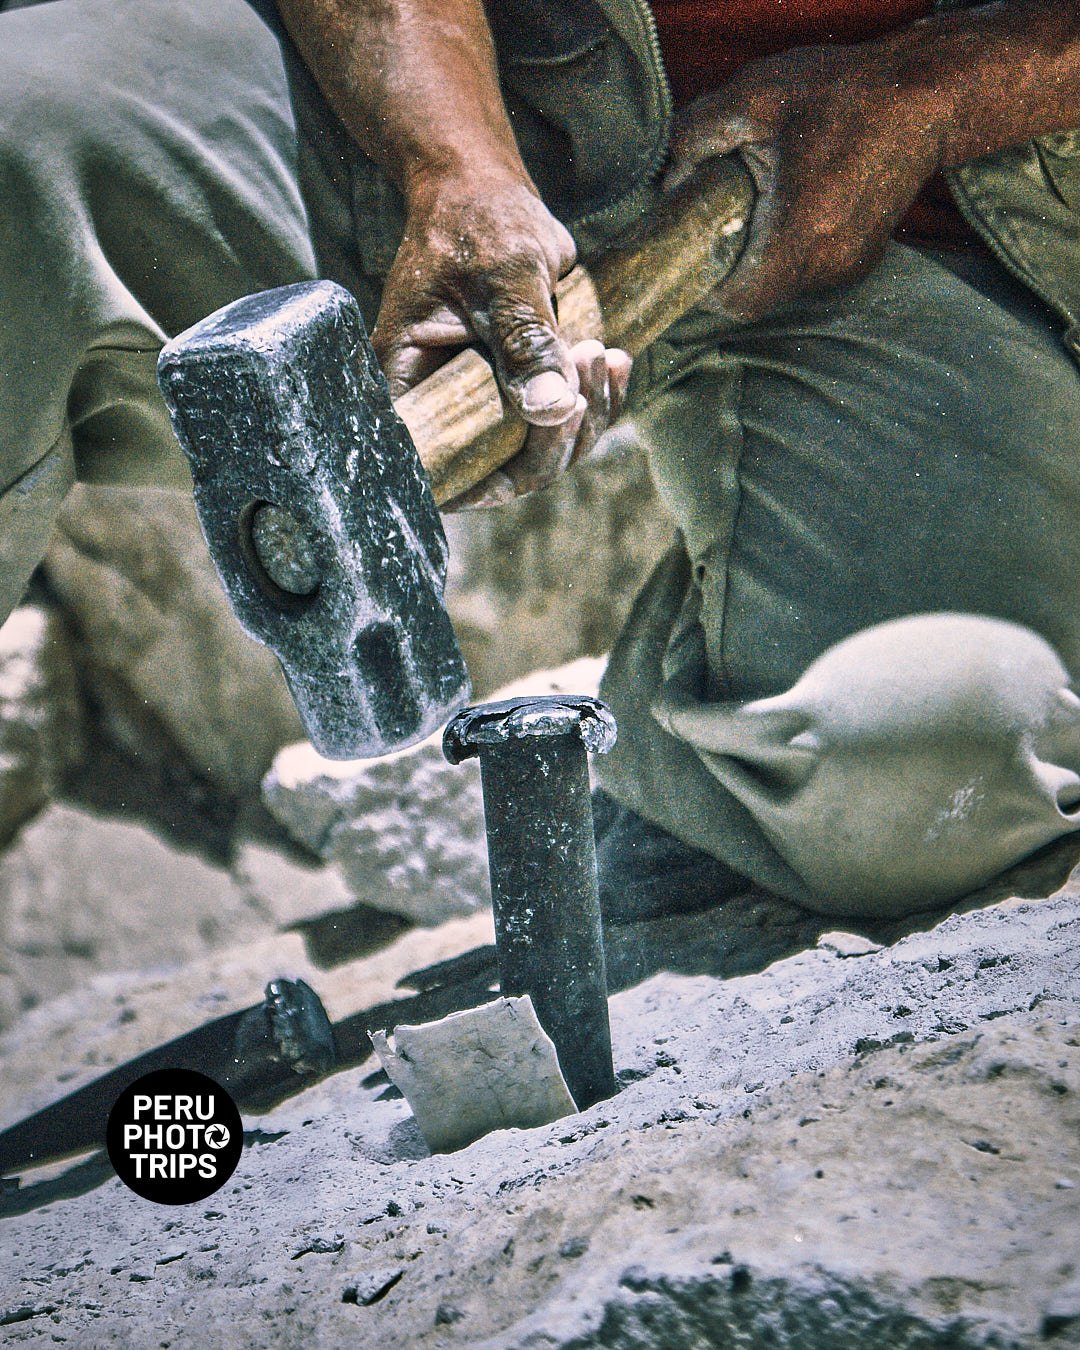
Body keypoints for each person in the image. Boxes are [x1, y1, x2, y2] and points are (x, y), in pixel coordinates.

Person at [1, 0, 1078, 923]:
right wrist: (453, 163)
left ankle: (648, 715)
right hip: (475, 101)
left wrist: (940, 91)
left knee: (928, 771)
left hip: (915, 212)